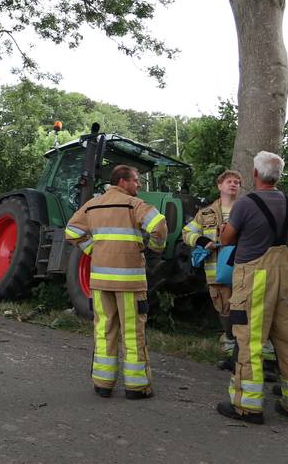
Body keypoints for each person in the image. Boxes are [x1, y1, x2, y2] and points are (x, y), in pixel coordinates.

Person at [215, 152, 288, 425]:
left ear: (255, 175)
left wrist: (225, 229)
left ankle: (247, 406)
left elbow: (227, 238)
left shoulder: (246, 203)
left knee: (249, 339)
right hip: (285, 273)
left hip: (254, 275)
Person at [64, 165, 167, 401]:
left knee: (104, 329)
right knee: (132, 332)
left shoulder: (92, 205)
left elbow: (71, 231)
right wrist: (154, 250)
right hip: (130, 282)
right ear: (122, 181)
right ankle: (136, 387)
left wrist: (93, 250)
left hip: (100, 282)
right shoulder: (134, 205)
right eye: (137, 180)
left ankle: (103, 383)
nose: (139, 185)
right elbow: (159, 226)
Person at [183, 171, 279, 373]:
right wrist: (202, 241)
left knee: (249, 311)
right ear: (219, 185)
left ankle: (264, 357)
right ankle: (232, 353)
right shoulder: (206, 212)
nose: (233, 184)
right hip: (216, 271)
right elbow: (187, 232)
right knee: (225, 312)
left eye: (237, 182)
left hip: (246, 269)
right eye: (229, 181)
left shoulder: (248, 207)